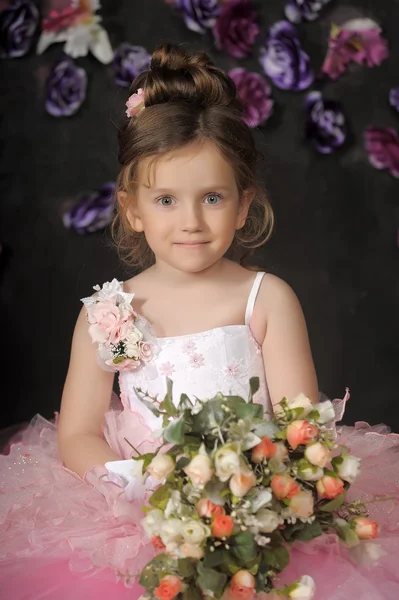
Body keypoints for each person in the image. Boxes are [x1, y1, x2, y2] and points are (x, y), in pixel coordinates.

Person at [0, 43, 398, 600]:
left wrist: (243, 497)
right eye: (166, 200)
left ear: (242, 205)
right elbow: (79, 432)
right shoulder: (110, 312)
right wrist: (145, 495)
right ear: (133, 210)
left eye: (212, 197)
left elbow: (300, 426)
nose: (190, 221)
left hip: (250, 503)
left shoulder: (266, 299)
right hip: (138, 513)